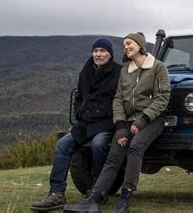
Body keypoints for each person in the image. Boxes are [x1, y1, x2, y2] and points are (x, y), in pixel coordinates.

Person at [63, 32, 171, 213]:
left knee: (135, 147)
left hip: (153, 119)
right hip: (128, 121)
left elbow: (162, 98)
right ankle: (93, 200)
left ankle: (125, 199)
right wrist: (120, 127)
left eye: (129, 43)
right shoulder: (125, 71)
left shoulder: (158, 68)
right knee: (114, 154)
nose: (126, 47)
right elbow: (118, 99)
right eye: (124, 45)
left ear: (140, 45)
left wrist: (143, 120)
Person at [30, 38, 122, 212]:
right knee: (62, 145)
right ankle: (56, 193)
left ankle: (97, 191)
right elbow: (79, 97)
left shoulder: (119, 72)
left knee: (98, 144)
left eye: (103, 51)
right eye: (95, 51)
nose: (98, 54)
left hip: (105, 124)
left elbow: (120, 100)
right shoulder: (86, 71)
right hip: (85, 123)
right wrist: (79, 114)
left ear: (110, 54)